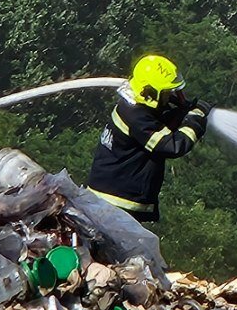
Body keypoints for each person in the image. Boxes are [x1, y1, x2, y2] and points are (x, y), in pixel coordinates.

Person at [86, 55, 209, 225]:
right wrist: (195, 120)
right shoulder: (136, 116)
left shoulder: (133, 106)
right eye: (166, 93)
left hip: (108, 196)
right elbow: (172, 146)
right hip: (116, 202)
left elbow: (160, 125)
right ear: (150, 93)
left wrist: (181, 113)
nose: (170, 97)